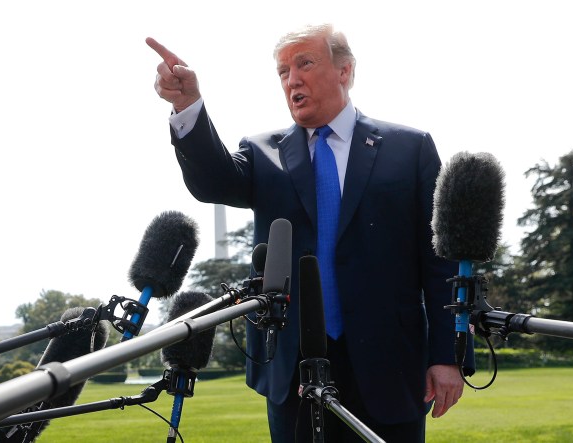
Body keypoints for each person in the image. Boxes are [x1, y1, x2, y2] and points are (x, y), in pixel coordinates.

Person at [147, 23, 474, 442]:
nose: (292, 79)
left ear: (345, 71)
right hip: (292, 369)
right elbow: (212, 181)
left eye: (305, 63)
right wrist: (188, 104)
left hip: (390, 367)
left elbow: (440, 261)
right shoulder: (262, 152)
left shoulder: (410, 150)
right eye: (283, 71)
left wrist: (447, 356)